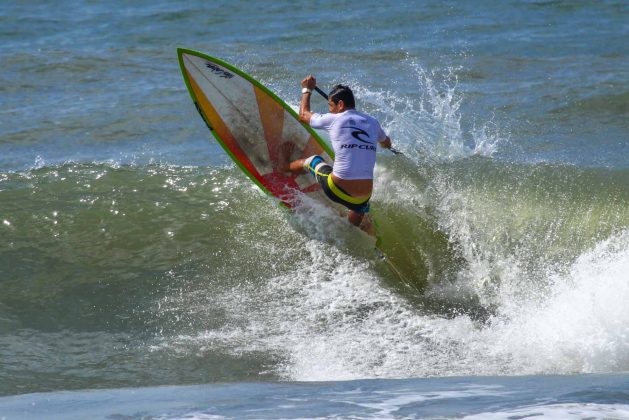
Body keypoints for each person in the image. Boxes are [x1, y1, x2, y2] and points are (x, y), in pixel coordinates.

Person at [282, 75, 393, 231]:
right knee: (359, 205)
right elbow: (386, 143)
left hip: (335, 189)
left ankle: (284, 166)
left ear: (340, 105)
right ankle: (351, 227)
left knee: (313, 160)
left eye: (331, 106)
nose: (330, 111)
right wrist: (383, 143)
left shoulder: (334, 119)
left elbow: (303, 115)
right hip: (363, 197)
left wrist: (307, 89)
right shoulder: (372, 122)